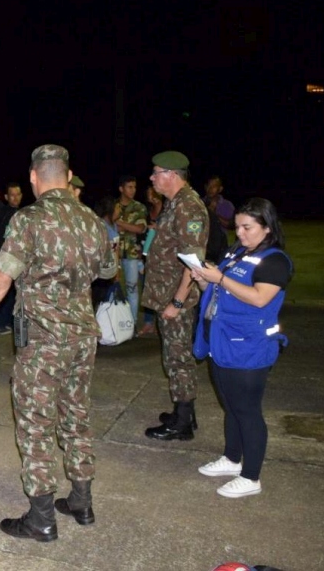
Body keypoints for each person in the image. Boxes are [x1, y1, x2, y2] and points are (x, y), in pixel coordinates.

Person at [0, 145, 116, 543]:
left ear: (34, 178)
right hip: (84, 336)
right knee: (76, 415)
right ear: (69, 178)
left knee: (35, 422)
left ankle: (41, 518)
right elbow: (108, 269)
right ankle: (81, 502)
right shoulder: (92, 219)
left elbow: (3, 273)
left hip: (44, 339)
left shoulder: (29, 219)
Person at [190, 198, 292, 498]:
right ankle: (232, 459)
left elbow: (260, 298)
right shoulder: (237, 253)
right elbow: (217, 291)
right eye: (237, 227)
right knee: (230, 406)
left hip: (249, 348)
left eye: (247, 227)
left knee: (247, 410)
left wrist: (219, 277)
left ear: (267, 227)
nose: (241, 234)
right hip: (222, 342)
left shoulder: (274, 261)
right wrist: (203, 280)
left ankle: (251, 476)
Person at [142, 151, 209, 441]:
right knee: (173, 357)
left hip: (175, 299)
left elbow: (194, 262)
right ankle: (184, 413)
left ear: (172, 174)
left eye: (156, 172)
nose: (152, 177)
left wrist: (177, 302)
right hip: (166, 295)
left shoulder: (188, 208)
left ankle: (181, 424)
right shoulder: (174, 204)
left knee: (179, 359)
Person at [112, 176, 148, 323]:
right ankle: (114, 324)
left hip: (132, 253)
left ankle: (131, 324)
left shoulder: (139, 207)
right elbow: (105, 224)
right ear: (121, 188)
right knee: (113, 288)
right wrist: (128, 227)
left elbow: (140, 228)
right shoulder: (113, 205)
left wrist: (119, 223)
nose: (133, 190)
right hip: (114, 253)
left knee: (132, 289)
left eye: (134, 187)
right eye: (129, 187)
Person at [0, 182, 22, 333]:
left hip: (18, 259)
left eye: (18, 194)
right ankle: (0, 324)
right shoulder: (2, 213)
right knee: (3, 291)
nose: (15, 198)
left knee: (14, 293)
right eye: (12, 195)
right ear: (6, 197)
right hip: (4, 258)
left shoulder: (22, 213)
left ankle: (9, 321)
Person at [137, 186, 165, 336]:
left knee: (161, 290)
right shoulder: (146, 211)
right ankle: (149, 323)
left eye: (152, 193)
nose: (150, 196)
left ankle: (161, 322)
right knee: (146, 289)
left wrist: (158, 228)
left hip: (162, 256)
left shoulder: (168, 210)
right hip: (146, 254)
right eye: (148, 193)